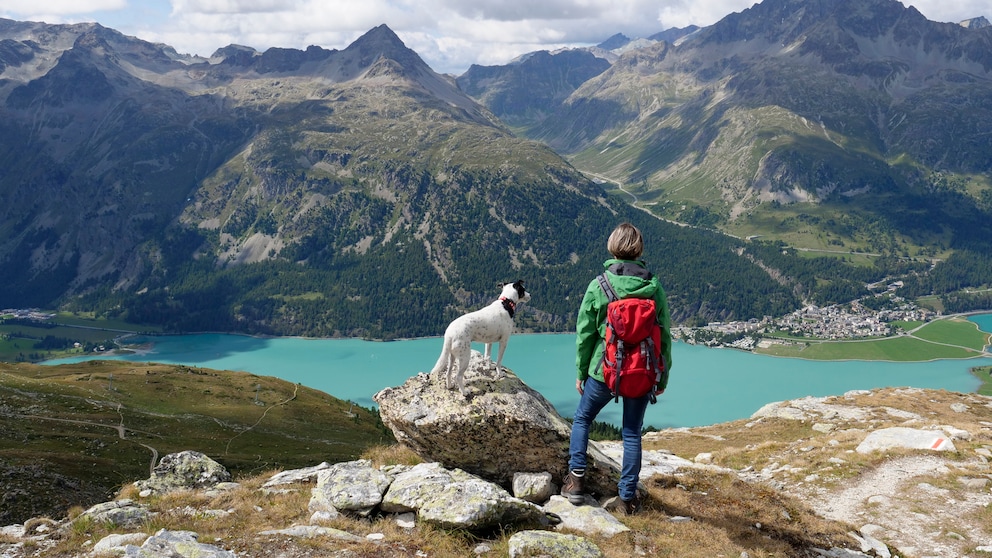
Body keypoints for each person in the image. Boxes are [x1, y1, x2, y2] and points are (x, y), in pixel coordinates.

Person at [561, 222, 673, 515]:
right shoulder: (654, 286)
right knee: (632, 433)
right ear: (639, 250)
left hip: (604, 370)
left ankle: (576, 482)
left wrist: (581, 372)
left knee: (583, 419)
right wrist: (663, 375)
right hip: (641, 372)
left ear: (612, 247)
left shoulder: (599, 285)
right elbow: (666, 336)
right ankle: (626, 500)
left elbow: (585, 335)